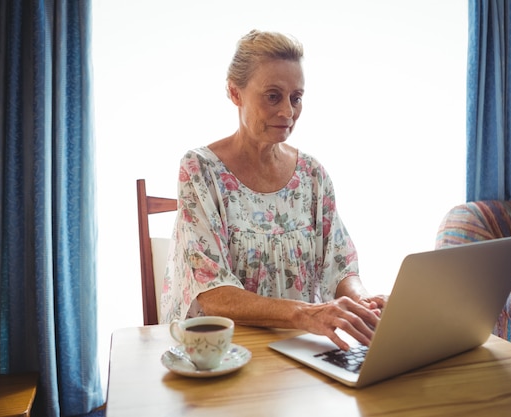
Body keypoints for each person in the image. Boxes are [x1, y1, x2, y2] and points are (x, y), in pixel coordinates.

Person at [161, 29, 387, 351]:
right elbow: (213, 294)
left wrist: (366, 305)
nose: (288, 112)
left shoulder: (312, 174)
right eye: (272, 96)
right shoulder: (200, 169)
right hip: (220, 353)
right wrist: (308, 313)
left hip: (296, 348)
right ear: (234, 93)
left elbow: (340, 266)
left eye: (296, 97)